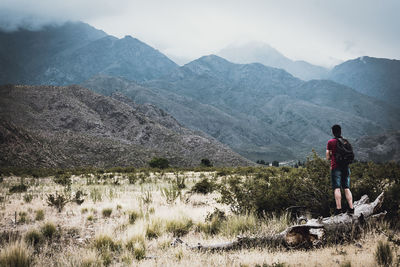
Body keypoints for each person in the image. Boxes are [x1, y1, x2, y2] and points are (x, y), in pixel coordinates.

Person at [326, 124, 354, 215]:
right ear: (340, 131)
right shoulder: (345, 141)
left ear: (333, 132)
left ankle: (339, 210)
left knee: (337, 188)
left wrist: (331, 155)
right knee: (346, 188)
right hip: (345, 166)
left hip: (336, 167)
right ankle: (351, 208)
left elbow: (327, 157)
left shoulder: (330, 142)